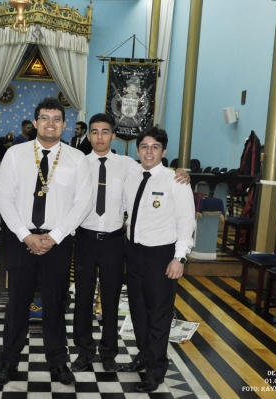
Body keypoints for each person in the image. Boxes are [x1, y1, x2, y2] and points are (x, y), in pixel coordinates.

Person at [71, 114, 190, 374]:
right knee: (82, 297)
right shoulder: (77, 163)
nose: (100, 137)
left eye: (105, 132)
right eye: (94, 132)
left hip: (115, 241)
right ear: (88, 135)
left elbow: (157, 172)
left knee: (112, 298)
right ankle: (84, 350)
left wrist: (181, 172)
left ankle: (109, 351)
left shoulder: (128, 165)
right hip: (84, 239)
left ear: (114, 135)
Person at [0, 97, 92, 386]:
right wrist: (26, 235)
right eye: (45, 117)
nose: (51, 123)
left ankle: (58, 362)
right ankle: (9, 362)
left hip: (58, 242)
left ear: (65, 124)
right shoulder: (15, 154)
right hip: (20, 239)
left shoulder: (76, 159)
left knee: (55, 303)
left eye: (57, 118)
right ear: (35, 122)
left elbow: (82, 203)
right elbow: (4, 198)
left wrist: (55, 237)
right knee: (17, 303)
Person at [119, 126, 195, 393]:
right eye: (144, 146)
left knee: (159, 314)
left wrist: (180, 258)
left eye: (154, 147)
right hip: (135, 252)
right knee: (138, 311)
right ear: (137, 149)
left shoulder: (176, 180)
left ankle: (156, 369)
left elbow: (187, 222)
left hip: (161, 255)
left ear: (163, 151)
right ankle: (144, 354)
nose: (148, 151)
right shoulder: (131, 175)